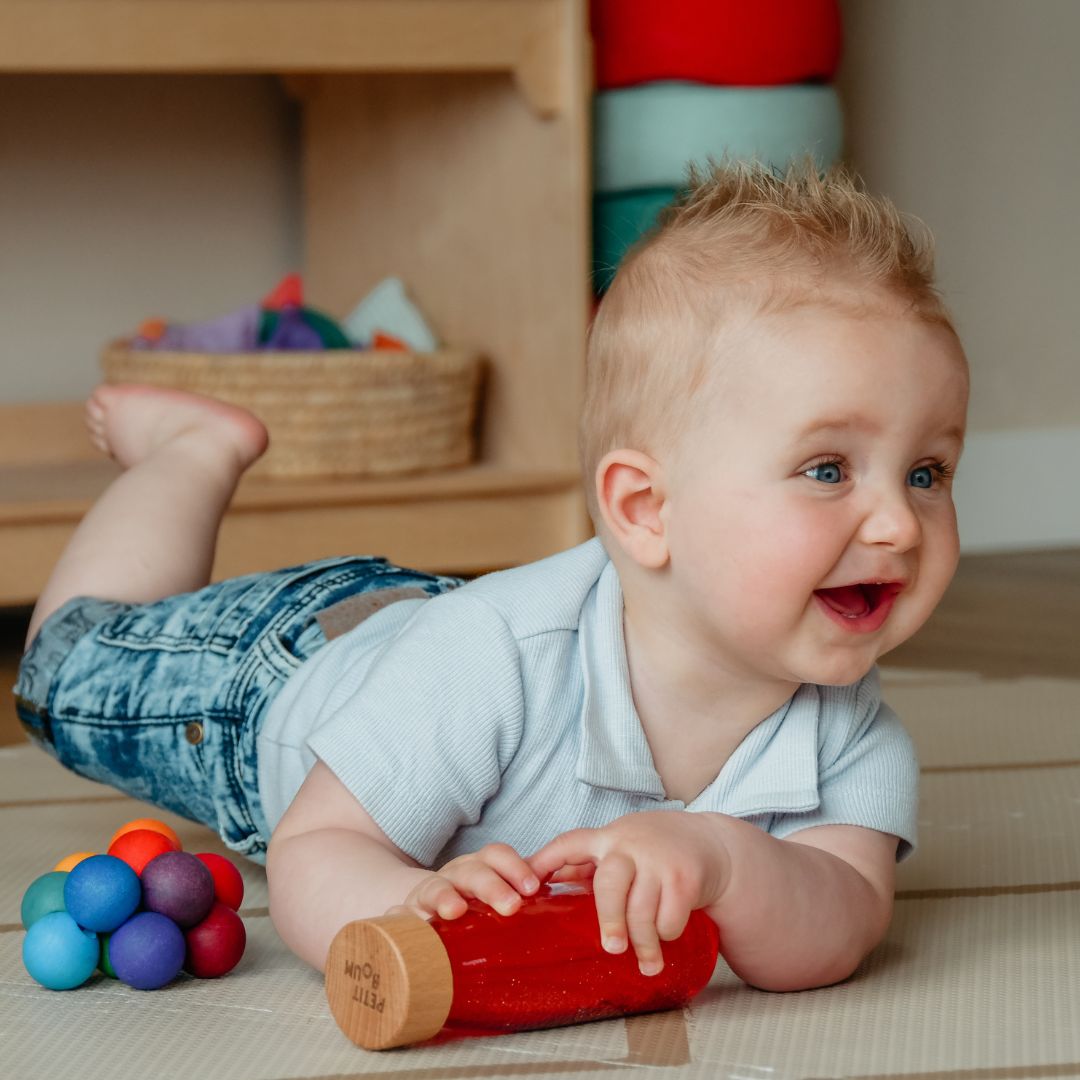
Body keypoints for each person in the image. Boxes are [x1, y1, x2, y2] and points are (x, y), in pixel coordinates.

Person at [15, 161, 969, 993]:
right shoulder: (487, 666)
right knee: (63, 669)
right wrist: (407, 902)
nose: (897, 524)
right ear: (645, 511)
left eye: (927, 472)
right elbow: (316, 847)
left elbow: (841, 921)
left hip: (435, 631)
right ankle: (189, 453)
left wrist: (726, 859)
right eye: (828, 470)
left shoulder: (854, 739)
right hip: (279, 678)